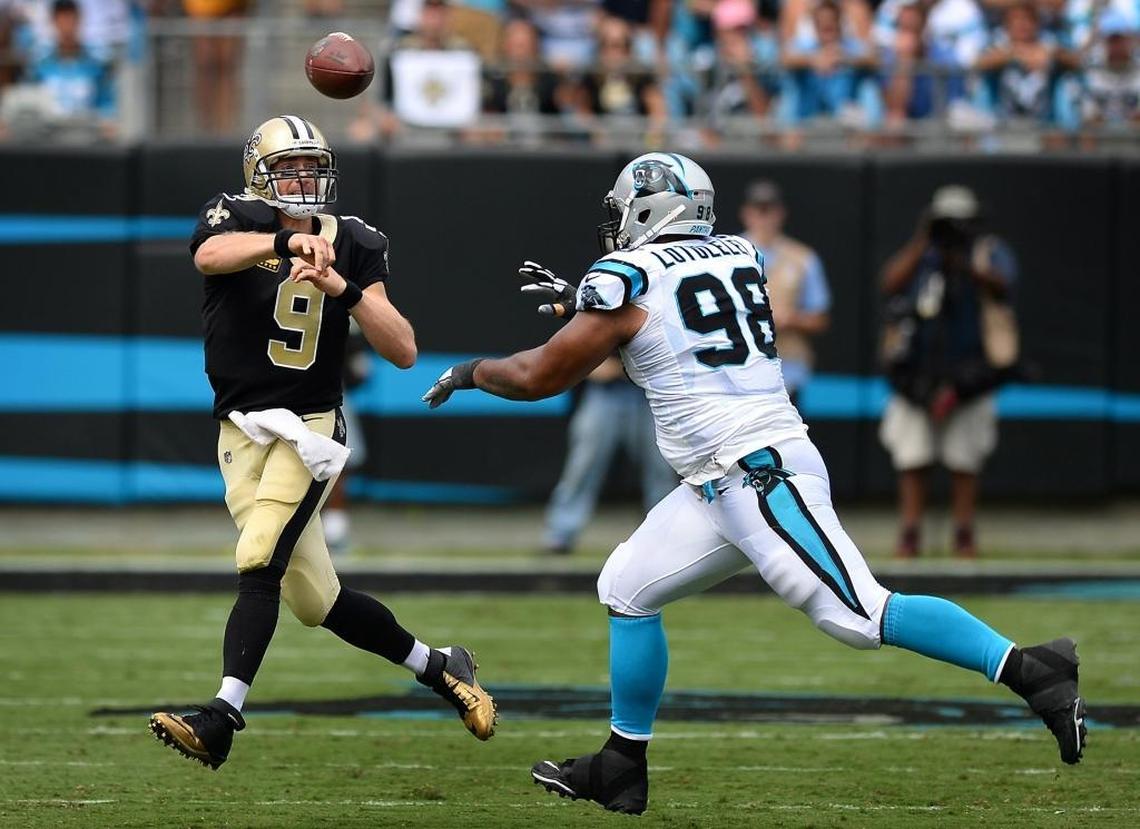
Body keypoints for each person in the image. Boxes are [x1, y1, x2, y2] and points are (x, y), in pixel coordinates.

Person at [421, 153, 1084, 815]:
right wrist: (581, 303)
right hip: (719, 479)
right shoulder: (740, 254)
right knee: (626, 585)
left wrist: (470, 371)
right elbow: (671, 327)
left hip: (760, 474)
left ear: (649, 211)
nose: (615, 224)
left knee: (859, 614)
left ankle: (1033, 668)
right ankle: (622, 763)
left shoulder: (628, 279)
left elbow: (539, 375)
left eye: (623, 209)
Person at [148, 115, 496, 771]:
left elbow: (402, 347)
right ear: (260, 173)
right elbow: (208, 256)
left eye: (313, 167)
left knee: (257, 558)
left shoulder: (357, 240)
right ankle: (442, 666)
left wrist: (347, 289)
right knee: (317, 602)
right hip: (240, 428)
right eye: (291, 168)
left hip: (308, 426)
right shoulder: (231, 217)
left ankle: (220, 716)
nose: (305, 179)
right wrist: (282, 243)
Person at [879, 185, 1018, 559]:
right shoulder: (922, 255)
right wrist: (924, 239)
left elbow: (1005, 285)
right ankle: (909, 534)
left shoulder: (987, 250)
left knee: (964, 458)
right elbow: (888, 282)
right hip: (916, 374)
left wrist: (966, 262)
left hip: (971, 371)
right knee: (912, 456)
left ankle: (963, 533)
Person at [541, 350, 676, 555]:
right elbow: (579, 349)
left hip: (650, 395)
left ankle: (666, 536)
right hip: (605, 394)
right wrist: (590, 364)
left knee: (661, 471)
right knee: (582, 467)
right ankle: (560, 535)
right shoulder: (600, 317)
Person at [737, 179, 830, 406]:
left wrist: (791, 318)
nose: (764, 218)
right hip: (738, 367)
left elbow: (820, 319)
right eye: (759, 210)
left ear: (780, 214)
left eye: (769, 211)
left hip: (787, 368)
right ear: (746, 213)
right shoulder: (728, 253)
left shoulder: (802, 258)